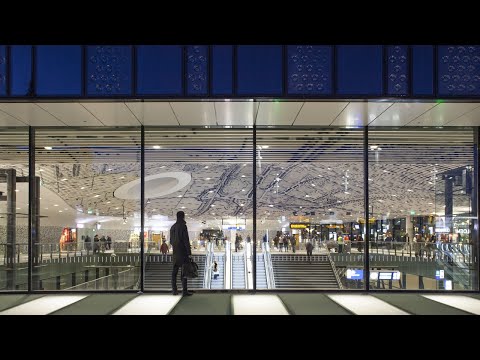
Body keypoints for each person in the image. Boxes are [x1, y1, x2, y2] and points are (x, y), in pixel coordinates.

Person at [170, 211, 193, 296]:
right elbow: (186, 240)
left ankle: (174, 290)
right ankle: (184, 291)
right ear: (183, 216)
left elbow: (171, 241)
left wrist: (175, 248)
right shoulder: (183, 226)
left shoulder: (172, 227)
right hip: (183, 252)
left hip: (175, 253)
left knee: (174, 272)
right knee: (184, 272)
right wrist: (189, 252)